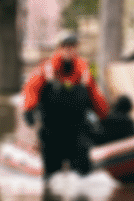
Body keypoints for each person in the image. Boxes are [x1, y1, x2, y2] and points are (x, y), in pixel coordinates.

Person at [21, 34, 109, 179]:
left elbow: (95, 95)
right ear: (59, 49)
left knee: (83, 171)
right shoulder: (46, 69)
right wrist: (29, 109)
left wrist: (105, 117)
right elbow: (31, 88)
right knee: (51, 173)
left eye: (73, 47)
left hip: (77, 129)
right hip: (53, 130)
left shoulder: (83, 71)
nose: (70, 50)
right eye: (66, 47)